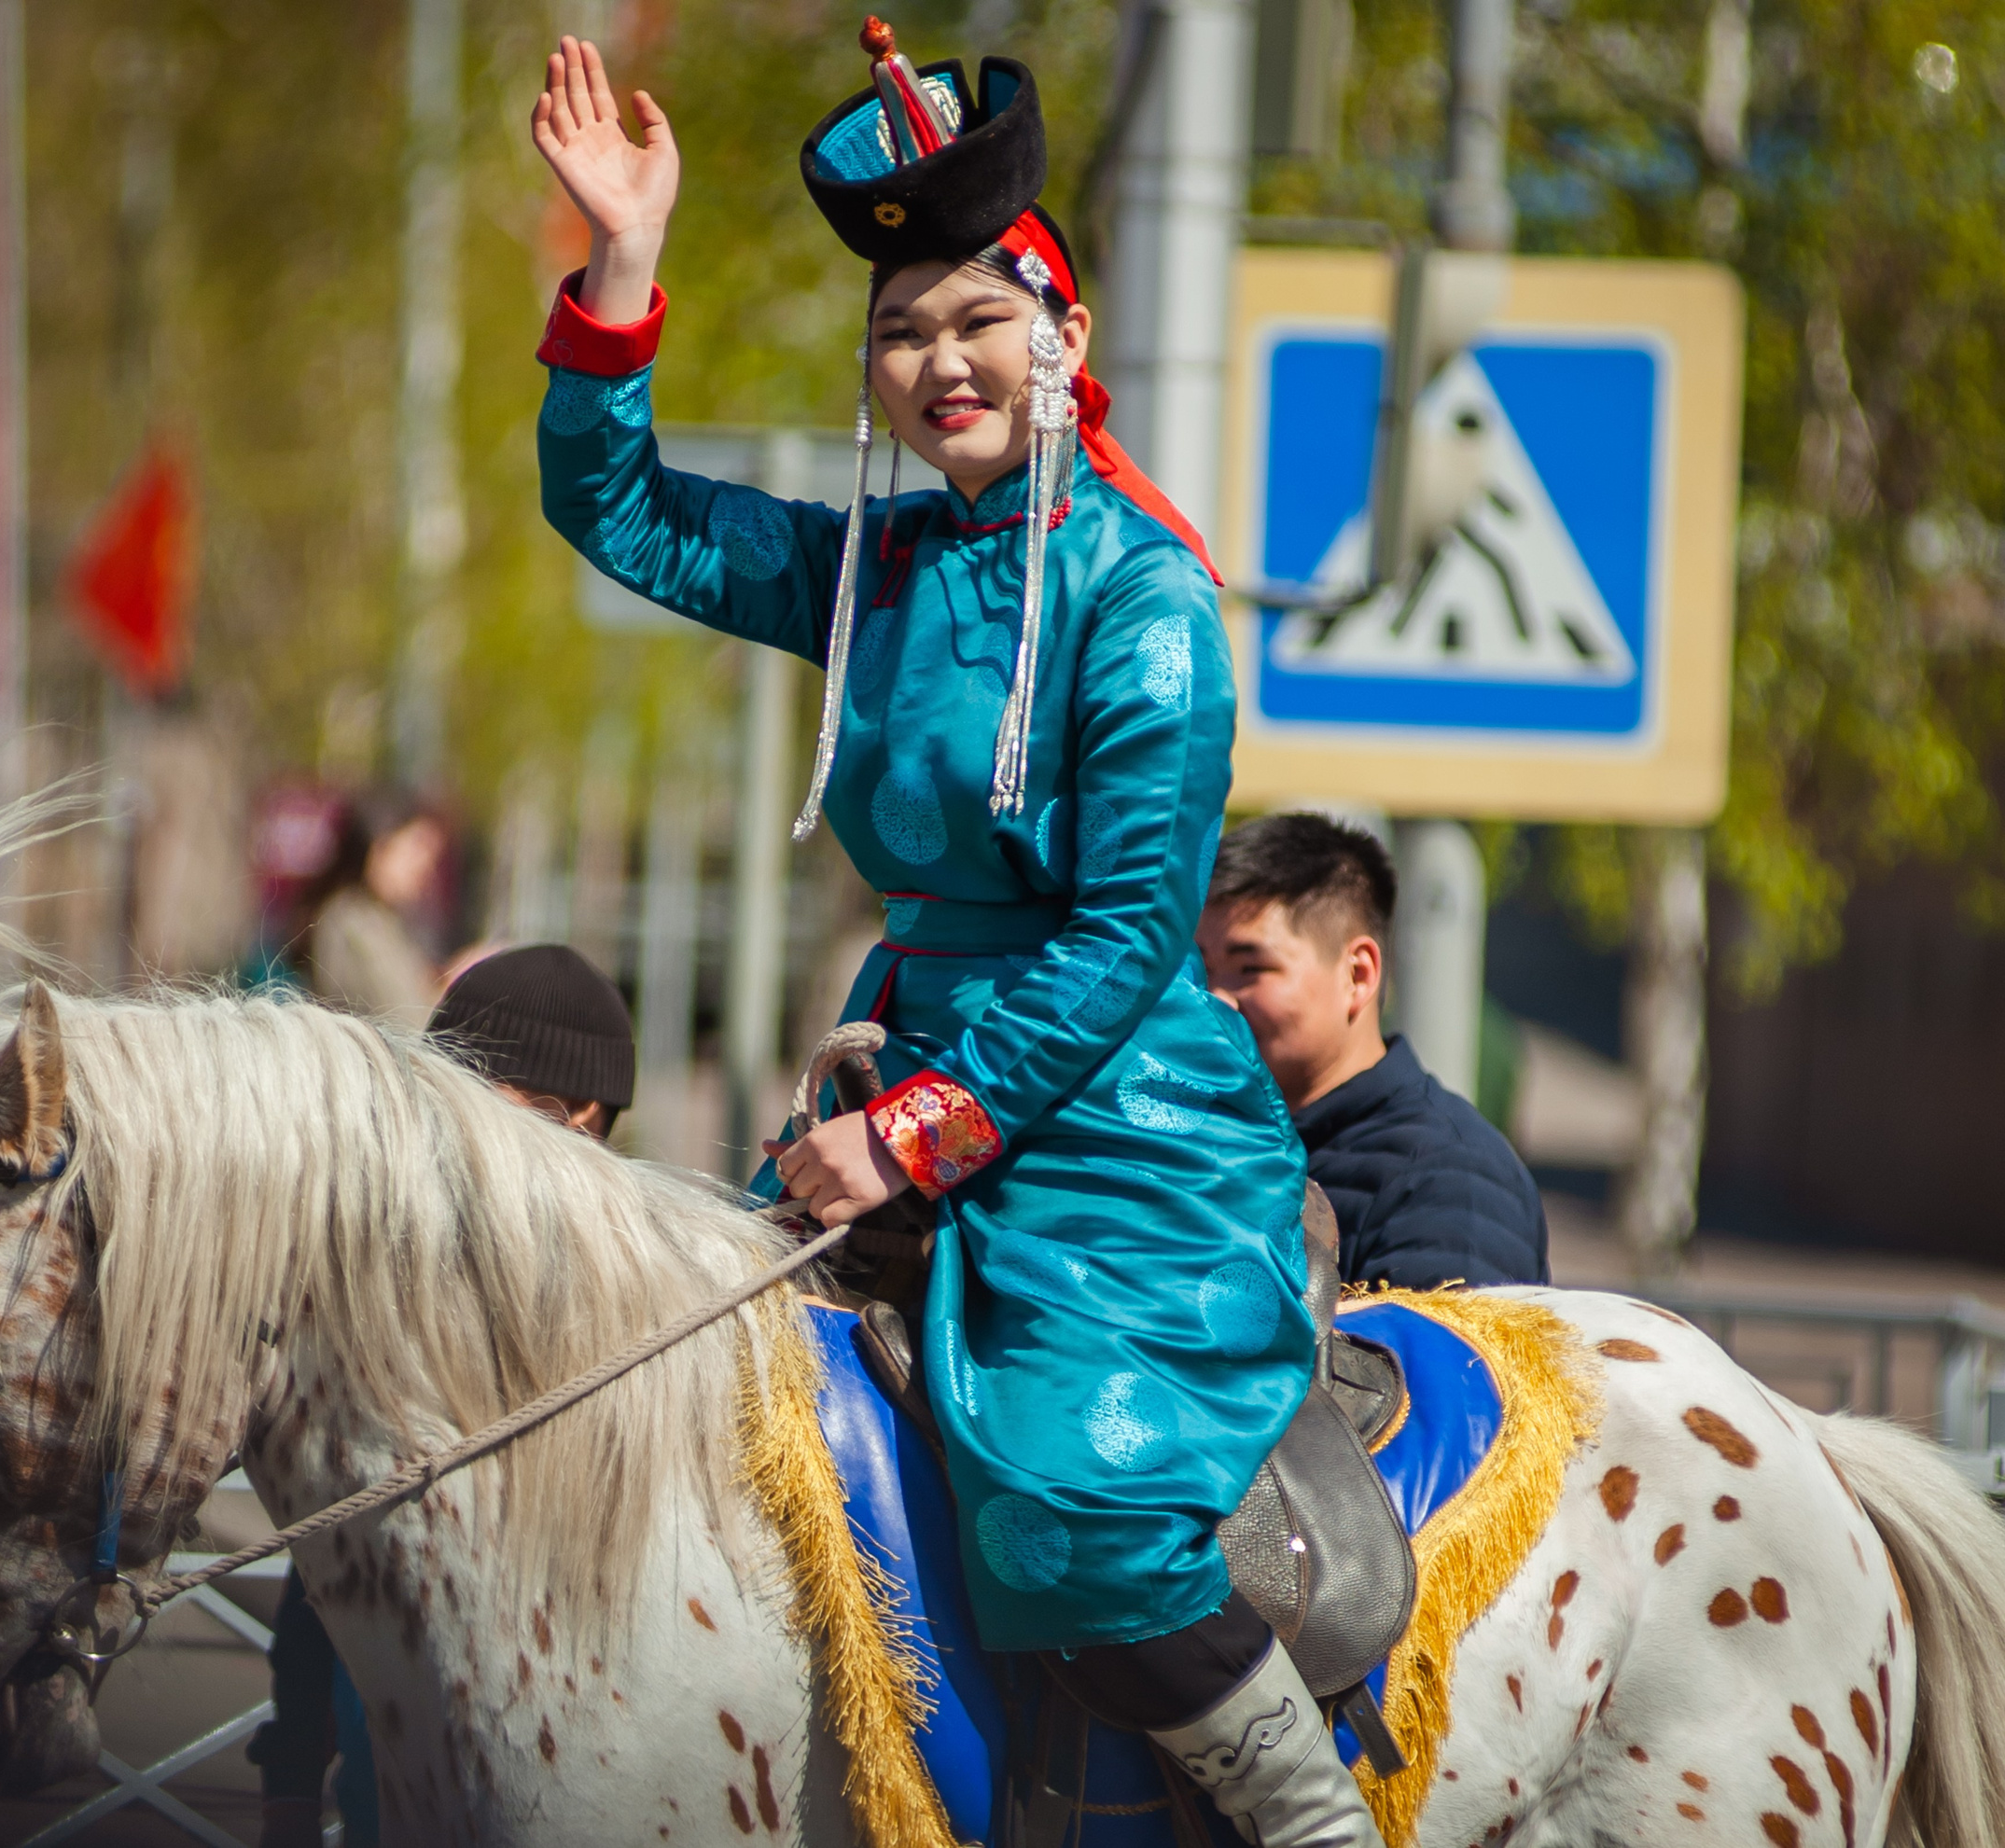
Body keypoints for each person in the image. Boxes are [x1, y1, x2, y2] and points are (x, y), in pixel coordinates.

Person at [530, 29, 1374, 1841]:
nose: (936, 363)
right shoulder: (873, 566)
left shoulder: (1142, 597)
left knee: (1074, 1504)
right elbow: (612, 505)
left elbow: (1131, 925)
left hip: (1109, 1125)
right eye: (901, 331)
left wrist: (910, 1132)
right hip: (900, 1068)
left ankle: (1309, 1823)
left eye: (975, 321)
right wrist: (620, 261)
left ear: (1058, 340)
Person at [252, 944, 635, 1848]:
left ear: (573, 1112)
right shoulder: (383, 1300)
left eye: (469, 1097)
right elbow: (321, 1581)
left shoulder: (635, 1317)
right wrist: (289, 1794)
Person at [1198, 813, 1550, 1290]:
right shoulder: (1207, 1141)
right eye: (1201, 971)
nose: (1213, 1000)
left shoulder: (1448, 1180)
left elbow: (1447, 1363)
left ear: (1358, 975)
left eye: (1250, 968)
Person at [298, 792, 450, 1028]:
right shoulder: (353, 922)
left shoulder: (376, 917)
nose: (425, 867)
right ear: (378, 846)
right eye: (416, 849)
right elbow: (410, 1025)